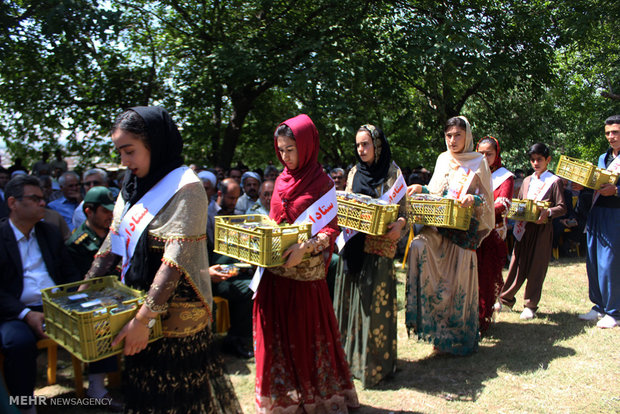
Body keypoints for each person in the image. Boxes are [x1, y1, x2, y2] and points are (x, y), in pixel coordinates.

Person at [84, 107, 241, 413]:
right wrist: (82, 295)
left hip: (176, 319)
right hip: (137, 306)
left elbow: (176, 261)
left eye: (130, 151)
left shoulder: (187, 187)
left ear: (154, 145)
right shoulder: (131, 185)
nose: (124, 162)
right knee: (142, 393)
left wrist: (144, 320)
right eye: (120, 152)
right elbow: (112, 244)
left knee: (175, 399)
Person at [254, 114, 359, 413]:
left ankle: (316, 398)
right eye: (281, 149)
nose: (285, 156)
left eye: (291, 149)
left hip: (305, 279)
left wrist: (306, 247)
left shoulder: (322, 183)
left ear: (307, 145)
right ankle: (287, 399)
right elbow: (276, 221)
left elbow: (330, 230)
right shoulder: (281, 181)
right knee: (279, 340)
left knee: (307, 340)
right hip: (275, 275)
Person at [405, 116, 494, 355]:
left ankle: (458, 340)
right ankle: (437, 335)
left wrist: (472, 199)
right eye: (448, 135)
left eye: (458, 135)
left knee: (457, 287)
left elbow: (486, 201)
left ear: (468, 137)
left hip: (463, 232)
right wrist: (421, 189)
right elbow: (436, 193)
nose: (453, 140)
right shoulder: (443, 159)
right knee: (420, 250)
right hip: (439, 227)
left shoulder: (478, 162)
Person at [333, 124, 407, 387]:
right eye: (358, 145)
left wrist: (399, 225)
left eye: (366, 144)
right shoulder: (354, 172)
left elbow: (403, 212)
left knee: (374, 308)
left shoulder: (393, 173)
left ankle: (376, 366)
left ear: (378, 144)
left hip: (379, 248)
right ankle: (350, 363)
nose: (361, 149)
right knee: (352, 305)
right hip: (354, 246)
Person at [0, 175, 81, 414]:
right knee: (18, 343)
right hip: (15, 311)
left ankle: (98, 388)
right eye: (35, 198)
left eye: (43, 198)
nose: (43, 203)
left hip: (57, 305)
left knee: (102, 317)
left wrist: (82, 295)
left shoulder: (49, 233)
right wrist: (25, 314)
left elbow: (69, 273)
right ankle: (25, 405)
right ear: (13, 203)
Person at [65, 186, 121, 409]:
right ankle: (97, 387)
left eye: (112, 211)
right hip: (93, 301)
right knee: (101, 319)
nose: (110, 215)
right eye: (105, 211)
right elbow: (77, 286)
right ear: (89, 211)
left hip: (119, 293)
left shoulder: (115, 235)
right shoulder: (76, 245)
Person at [498, 143, 566, 319]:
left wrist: (548, 212)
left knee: (537, 265)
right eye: (533, 160)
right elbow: (520, 202)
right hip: (523, 227)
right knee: (516, 262)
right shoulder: (527, 180)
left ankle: (530, 304)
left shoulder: (554, 181)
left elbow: (562, 207)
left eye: (539, 159)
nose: (536, 163)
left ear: (548, 160)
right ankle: (506, 299)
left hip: (542, 229)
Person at [578, 115, 620, 328]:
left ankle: (615, 311)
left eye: (615, 132)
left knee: (610, 263)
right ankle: (599, 306)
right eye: (607, 133)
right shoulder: (603, 157)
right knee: (593, 260)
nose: (611, 137)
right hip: (596, 213)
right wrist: (583, 186)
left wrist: (617, 191)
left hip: (615, 214)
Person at [475, 136, 514, 333]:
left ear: (496, 154)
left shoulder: (504, 176)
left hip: (492, 230)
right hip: (471, 229)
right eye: (480, 153)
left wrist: (480, 208)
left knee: (487, 274)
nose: (484, 157)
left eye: (488, 154)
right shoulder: (471, 171)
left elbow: (504, 202)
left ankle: (483, 315)